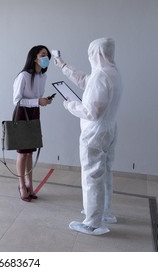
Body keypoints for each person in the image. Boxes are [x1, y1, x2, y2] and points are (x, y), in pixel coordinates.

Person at [54, 38, 123, 235]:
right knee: (105, 172)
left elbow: (92, 112)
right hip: (109, 129)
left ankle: (93, 222)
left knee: (92, 175)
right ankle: (104, 212)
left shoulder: (101, 76)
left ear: (97, 54)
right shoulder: (112, 72)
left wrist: (70, 105)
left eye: (91, 54)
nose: (90, 57)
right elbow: (87, 81)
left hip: (95, 132)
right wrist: (64, 66)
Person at [13, 45, 53, 201]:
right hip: (22, 114)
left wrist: (43, 101)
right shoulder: (23, 76)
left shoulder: (43, 77)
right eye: (43, 54)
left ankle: (30, 184)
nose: (46, 58)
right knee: (23, 154)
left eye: (47, 55)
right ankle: (21, 185)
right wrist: (37, 101)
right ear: (34, 57)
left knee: (30, 152)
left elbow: (37, 97)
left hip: (35, 113)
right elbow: (17, 101)